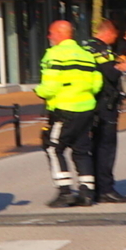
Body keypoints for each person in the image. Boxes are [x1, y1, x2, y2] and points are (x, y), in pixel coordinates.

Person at [35, 20, 102, 207]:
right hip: (87, 108)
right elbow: (96, 83)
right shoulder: (86, 55)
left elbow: (50, 85)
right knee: (81, 150)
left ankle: (64, 191)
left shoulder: (54, 54)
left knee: (52, 147)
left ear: (59, 33)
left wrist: (39, 92)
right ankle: (87, 192)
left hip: (63, 109)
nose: (49, 37)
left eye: (51, 33)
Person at [81, 19, 126, 204]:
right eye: (114, 35)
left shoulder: (84, 46)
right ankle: (106, 189)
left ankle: (90, 186)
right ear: (108, 33)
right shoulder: (102, 50)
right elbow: (108, 72)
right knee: (106, 147)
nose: (115, 38)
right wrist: (122, 68)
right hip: (104, 105)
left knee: (90, 146)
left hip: (86, 103)